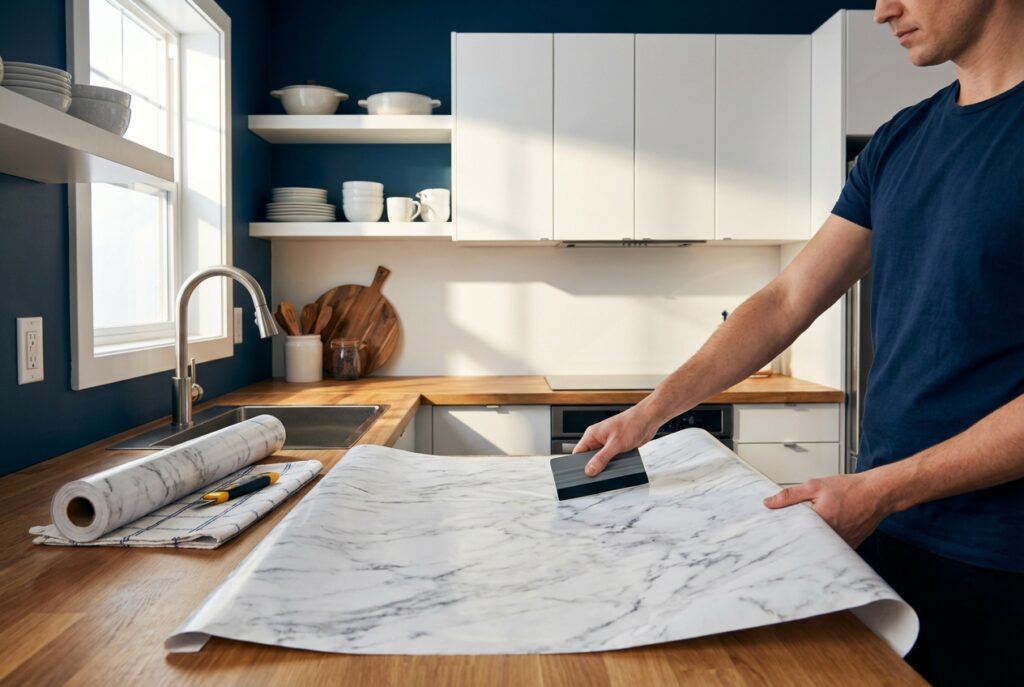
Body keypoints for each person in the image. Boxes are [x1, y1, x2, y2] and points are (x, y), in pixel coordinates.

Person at [573, 0, 1024, 684]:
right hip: (881, 537)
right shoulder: (902, 138)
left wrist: (886, 489)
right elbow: (786, 299)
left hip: (1001, 563)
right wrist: (651, 411)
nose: (881, 11)